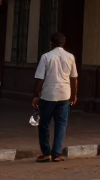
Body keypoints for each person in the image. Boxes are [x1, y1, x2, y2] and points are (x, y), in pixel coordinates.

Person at [31, 32, 78, 163]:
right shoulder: (70, 57)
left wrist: (35, 95)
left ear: (51, 43)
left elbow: (40, 78)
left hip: (48, 95)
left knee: (44, 124)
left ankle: (46, 152)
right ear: (63, 43)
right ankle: (57, 153)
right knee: (61, 124)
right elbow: (74, 78)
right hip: (65, 95)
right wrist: (74, 95)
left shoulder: (46, 57)